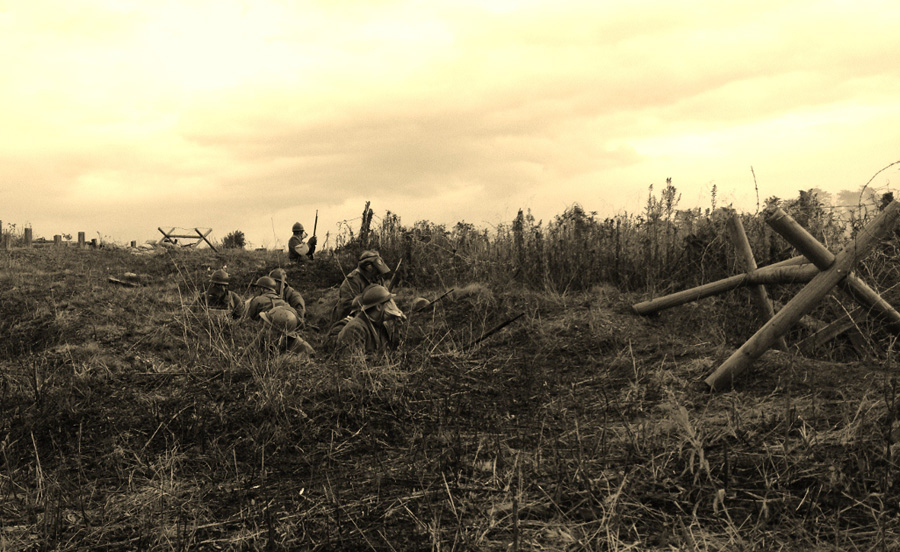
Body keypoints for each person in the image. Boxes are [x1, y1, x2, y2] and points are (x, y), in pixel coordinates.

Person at [335, 284, 406, 356]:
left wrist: (397, 330)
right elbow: (350, 363)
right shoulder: (355, 329)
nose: (394, 306)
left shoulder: (382, 325)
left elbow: (392, 356)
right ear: (378, 307)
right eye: (389, 302)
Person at [329, 250, 392, 324]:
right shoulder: (352, 281)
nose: (378, 273)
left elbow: (385, 296)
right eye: (376, 270)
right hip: (347, 321)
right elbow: (348, 305)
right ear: (368, 267)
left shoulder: (376, 279)